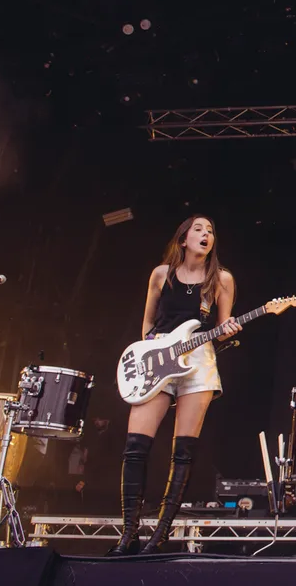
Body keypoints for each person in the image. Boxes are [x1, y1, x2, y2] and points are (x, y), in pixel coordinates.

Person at [108, 216, 241, 555]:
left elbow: (223, 325)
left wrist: (229, 330)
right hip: (158, 357)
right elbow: (148, 324)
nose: (206, 234)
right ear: (183, 239)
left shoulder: (221, 280)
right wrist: (153, 353)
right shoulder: (160, 274)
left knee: (183, 450)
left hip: (199, 361)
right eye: (199, 229)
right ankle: (128, 534)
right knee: (135, 445)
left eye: (211, 230)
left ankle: (160, 535)